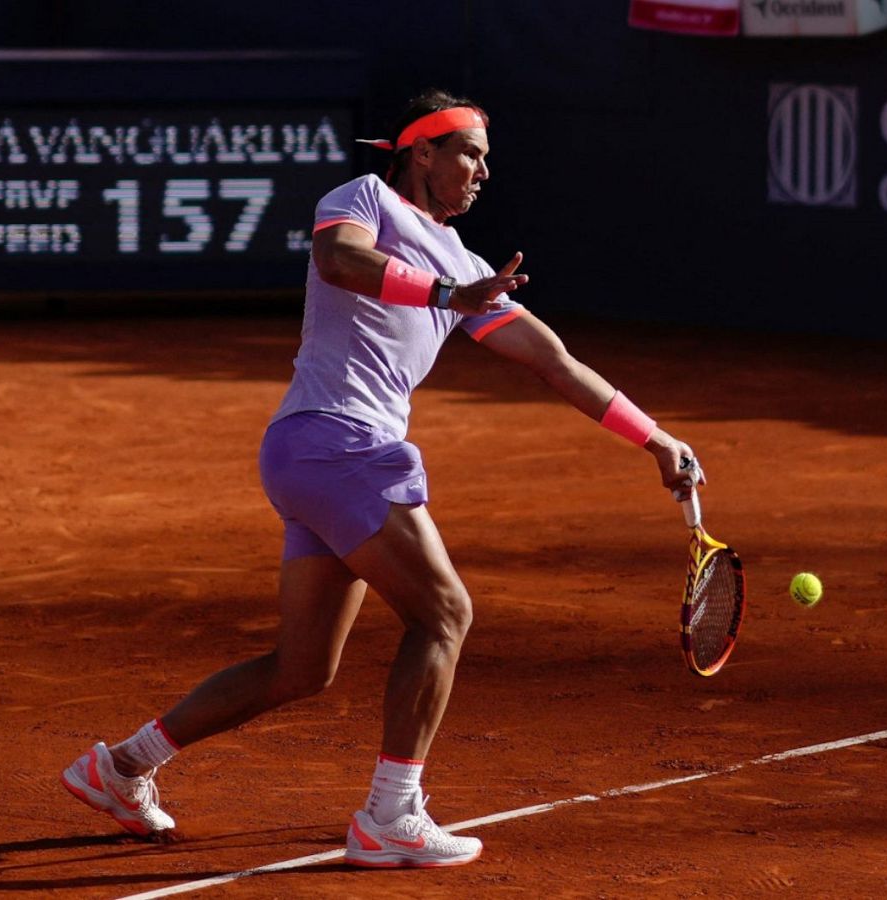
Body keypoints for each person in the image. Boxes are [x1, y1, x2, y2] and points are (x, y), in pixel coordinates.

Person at [62, 88, 700, 868]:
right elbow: (341, 260)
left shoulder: (468, 267)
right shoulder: (361, 198)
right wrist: (443, 295)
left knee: (302, 668)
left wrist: (655, 437)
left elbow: (553, 361)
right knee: (443, 616)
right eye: (468, 152)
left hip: (316, 459)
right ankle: (391, 815)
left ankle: (121, 766)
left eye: (487, 159)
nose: (482, 172)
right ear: (421, 151)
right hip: (338, 445)